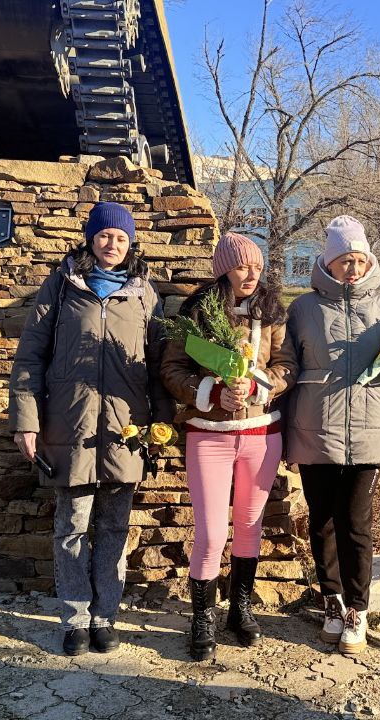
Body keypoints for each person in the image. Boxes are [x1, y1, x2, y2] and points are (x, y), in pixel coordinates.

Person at [9, 202, 173, 656]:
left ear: (131, 243)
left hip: (126, 429)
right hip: (69, 425)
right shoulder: (61, 287)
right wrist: (27, 422)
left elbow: (157, 364)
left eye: (121, 238)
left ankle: (106, 617)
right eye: (104, 236)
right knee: (72, 525)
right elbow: (29, 358)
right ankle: (76, 619)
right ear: (90, 238)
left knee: (115, 528)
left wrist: (162, 421)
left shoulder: (145, 294)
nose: (112, 244)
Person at [284, 215, 380, 655]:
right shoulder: (303, 308)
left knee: (356, 523)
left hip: (370, 428)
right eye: (344, 260)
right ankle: (331, 600)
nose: (353, 269)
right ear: (328, 262)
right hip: (315, 427)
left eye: (359, 260)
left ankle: (358, 611)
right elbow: (287, 362)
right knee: (322, 520)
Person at [160, 232, 296, 660]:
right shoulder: (196, 312)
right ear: (224, 270)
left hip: (261, 434)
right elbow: (172, 369)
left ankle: (239, 607)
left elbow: (286, 365)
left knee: (250, 524)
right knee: (212, 529)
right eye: (242, 266)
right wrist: (212, 393)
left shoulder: (272, 314)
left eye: (257, 266)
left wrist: (258, 386)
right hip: (209, 435)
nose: (251, 274)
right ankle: (202, 615)